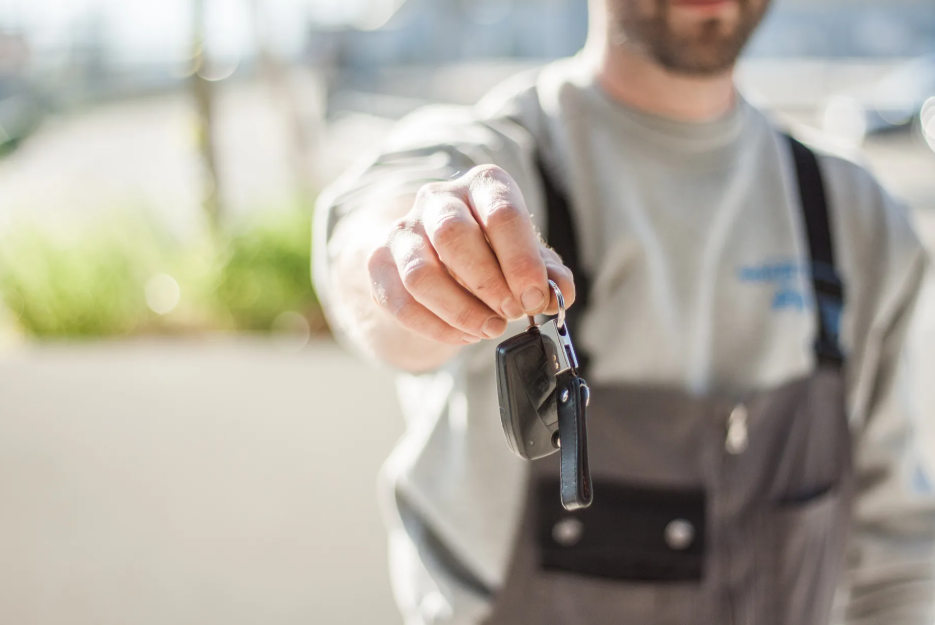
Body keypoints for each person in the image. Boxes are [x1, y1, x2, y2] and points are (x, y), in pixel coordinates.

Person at [312, 0, 935, 622]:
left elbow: (895, 556)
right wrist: (422, 261)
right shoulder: (502, 157)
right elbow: (376, 247)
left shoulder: (858, 218)